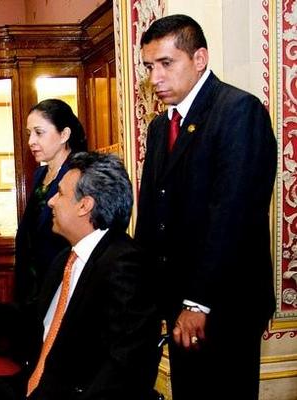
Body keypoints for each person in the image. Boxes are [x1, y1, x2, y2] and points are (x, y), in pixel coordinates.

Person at [0, 152, 161, 400]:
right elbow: (31, 321)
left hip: (75, 393)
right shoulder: (66, 258)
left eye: (61, 193)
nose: (51, 201)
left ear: (84, 205)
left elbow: (126, 366)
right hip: (38, 382)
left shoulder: (125, 265)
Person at [135, 15, 277, 400]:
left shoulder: (238, 112)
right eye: (150, 67)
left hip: (224, 307)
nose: (155, 79)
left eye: (166, 64)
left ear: (199, 58)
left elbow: (233, 217)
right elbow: (152, 216)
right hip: (177, 305)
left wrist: (199, 301)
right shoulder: (160, 127)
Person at [15, 98, 87, 304]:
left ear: (64, 134)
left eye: (39, 132)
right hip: (32, 282)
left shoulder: (79, 174)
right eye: (29, 134)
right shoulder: (39, 174)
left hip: (63, 281)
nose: (31, 141)